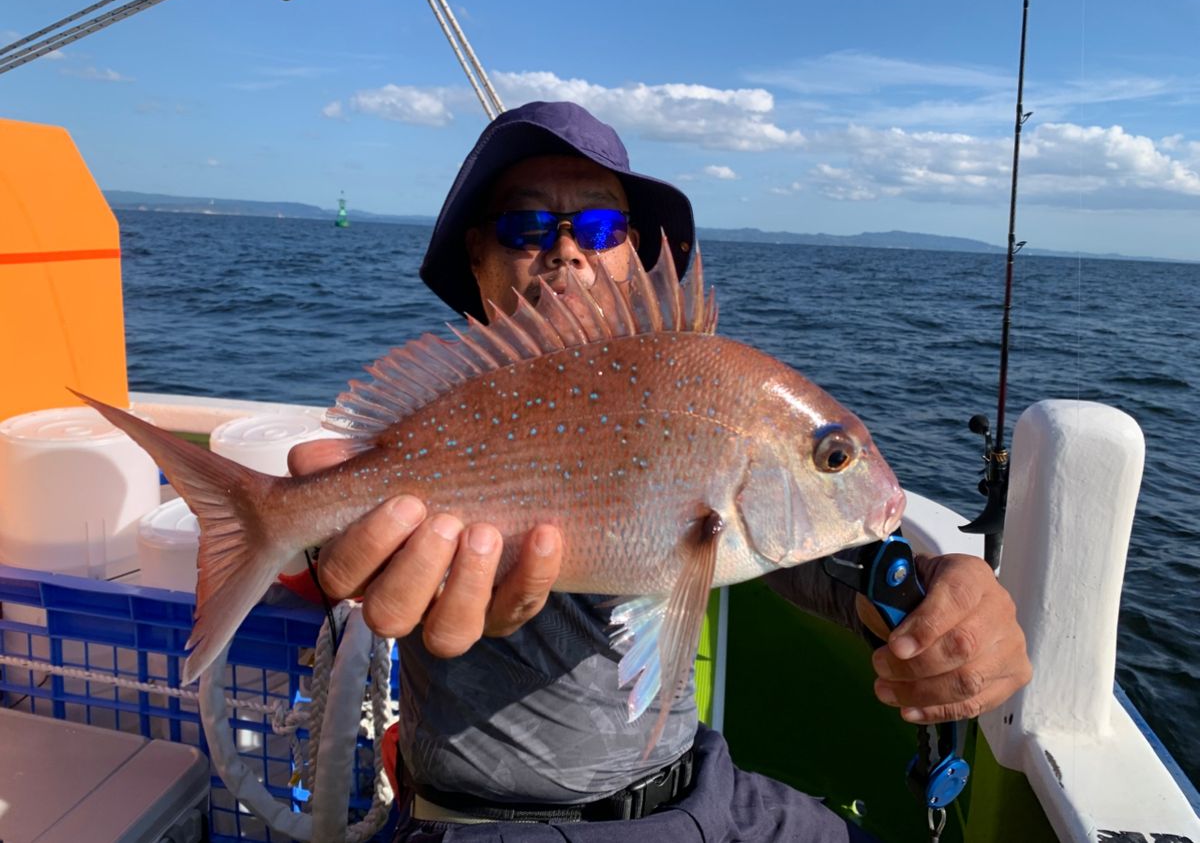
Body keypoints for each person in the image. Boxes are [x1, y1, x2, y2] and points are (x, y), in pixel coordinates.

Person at [288, 101, 1032, 842]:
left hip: (704, 792)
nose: (567, 251)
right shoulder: (442, 420)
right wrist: (321, 547)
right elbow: (336, 529)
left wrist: (935, 596)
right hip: (483, 823)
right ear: (478, 259)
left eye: (601, 228)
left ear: (633, 254)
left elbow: (826, 561)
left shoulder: (704, 398)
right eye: (526, 227)